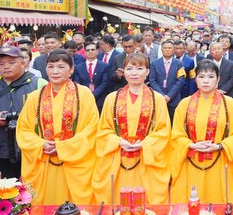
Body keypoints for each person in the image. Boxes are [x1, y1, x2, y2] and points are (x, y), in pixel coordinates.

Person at [17, 49, 99, 204]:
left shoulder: (84, 94)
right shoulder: (36, 97)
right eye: (51, 66)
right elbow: (23, 130)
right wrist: (41, 144)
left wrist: (65, 146)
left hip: (74, 161)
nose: (55, 71)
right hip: (44, 161)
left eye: (61, 67)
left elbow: (92, 128)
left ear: (72, 69)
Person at [92, 53, 171, 204]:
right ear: (123, 71)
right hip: (118, 160)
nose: (134, 73)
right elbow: (103, 130)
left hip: (146, 160)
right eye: (129, 68)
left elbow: (163, 131)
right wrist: (118, 141)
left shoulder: (157, 99)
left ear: (147, 72)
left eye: (139, 68)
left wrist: (145, 144)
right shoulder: (112, 99)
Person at [169, 59, 233, 203]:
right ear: (195, 79)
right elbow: (176, 135)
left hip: (220, 161)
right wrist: (191, 145)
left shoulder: (228, 103)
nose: (206, 81)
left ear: (218, 80)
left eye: (211, 77)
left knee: (218, 202)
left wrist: (219, 146)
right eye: (201, 76)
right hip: (191, 162)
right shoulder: (184, 104)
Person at [0, 46, 47, 179]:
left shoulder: (39, 83)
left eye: (11, 62)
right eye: (1, 64)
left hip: (32, 146)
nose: (6, 67)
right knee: (3, 190)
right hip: (0, 146)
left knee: (33, 189)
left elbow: (49, 113)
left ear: (23, 63)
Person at [149, 40, 186, 122]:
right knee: (159, 121)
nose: (167, 50)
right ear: (161, 50)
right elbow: (152, 81)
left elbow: (180, 81)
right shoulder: (154, 63)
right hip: (159, 97)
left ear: (173, 50)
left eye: (169, 48)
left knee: (173, 121)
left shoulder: (179, 63)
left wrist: (169, 96)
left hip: (174, 98)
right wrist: (162, 95)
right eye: (165, 48)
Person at [73, 42, 109, 112]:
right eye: (88, 50)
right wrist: (86, 95)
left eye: (93, 49)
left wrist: (92, 95)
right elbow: (77, 83)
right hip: (83, 100)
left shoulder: (105, 66)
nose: (90, 51)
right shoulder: (78, 67)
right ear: (85, 52)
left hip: (100, 101)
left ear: (97, 51)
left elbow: (104, 84)